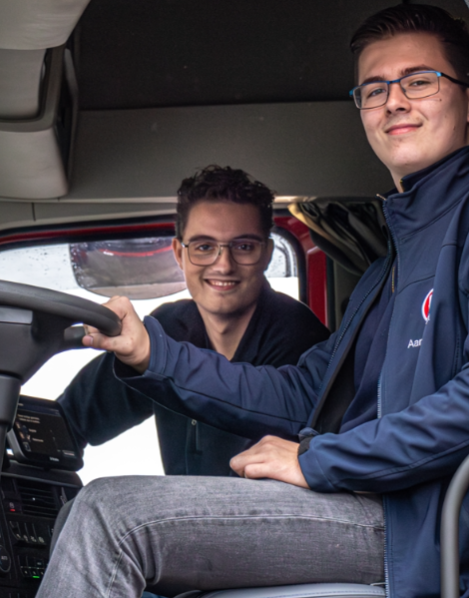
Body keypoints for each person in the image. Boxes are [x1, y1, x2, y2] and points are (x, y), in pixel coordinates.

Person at [10, 4, 469, 598]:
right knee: (99, 519)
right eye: (373, 89)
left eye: (418, 81)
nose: (394, 102)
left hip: (409, 525)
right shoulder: (396, 256)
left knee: (109, 515)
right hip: (371, 505)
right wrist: (150, 353)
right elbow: (301, 394)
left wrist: (318, 459)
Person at [51, 165, 329, 542]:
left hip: (262, 546)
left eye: (243, 247)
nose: (223, 264)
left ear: (266, 252)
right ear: (179, 253)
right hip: (182, 547)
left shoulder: (302, 339)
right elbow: (71, 422)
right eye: (203, 247)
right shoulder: (167, 329)